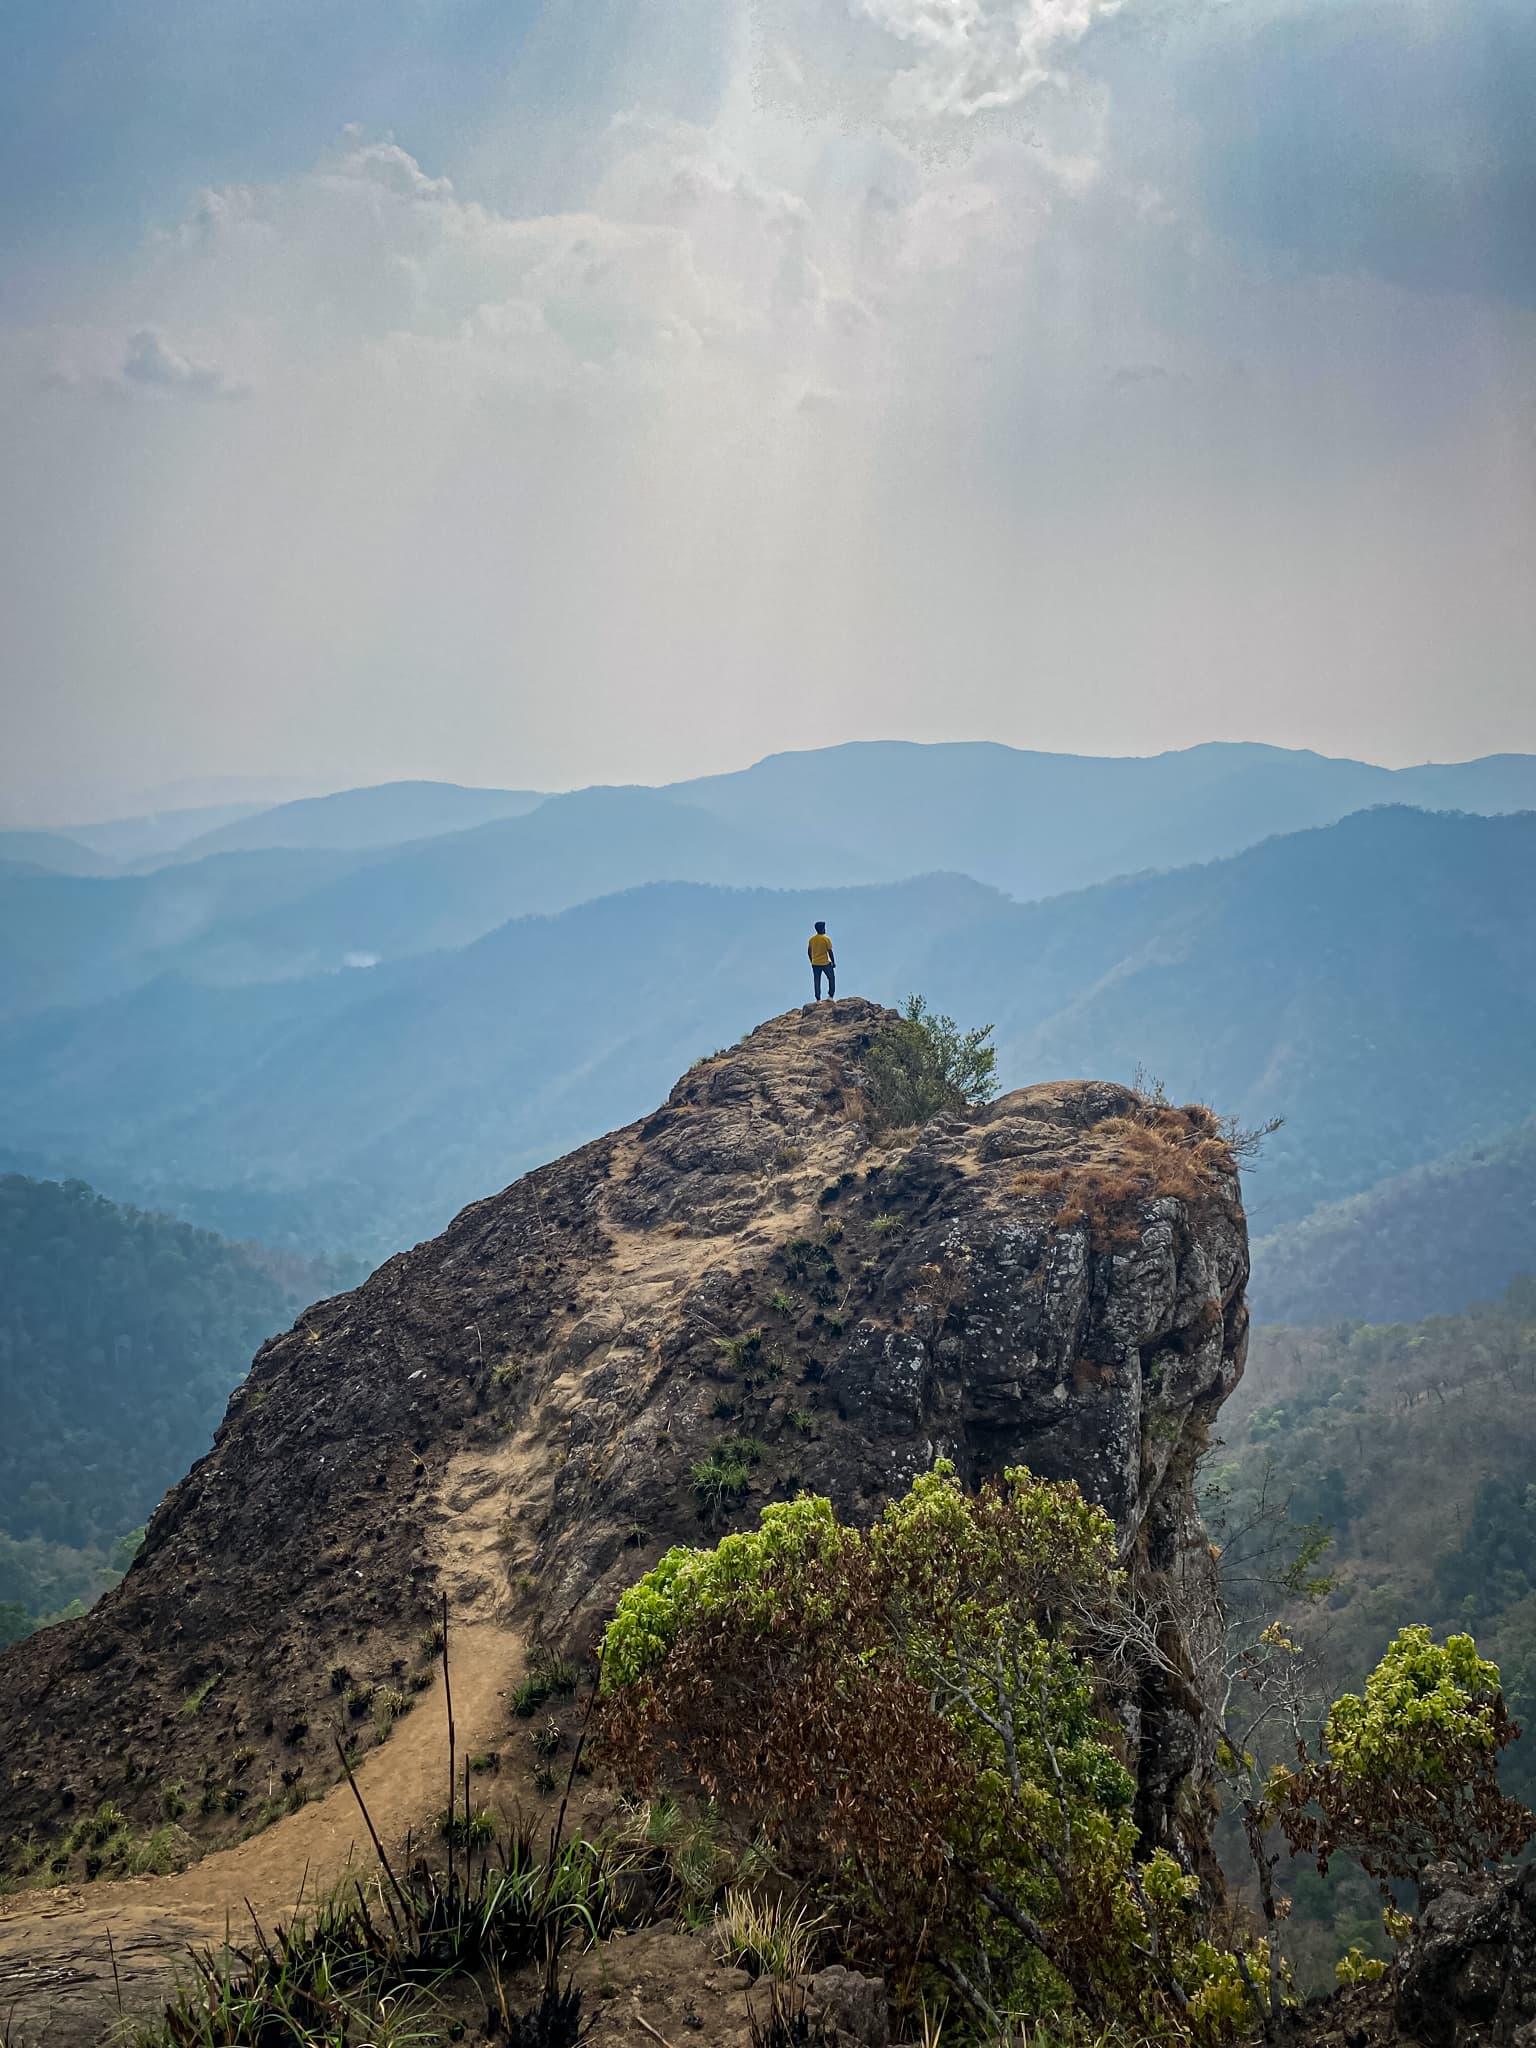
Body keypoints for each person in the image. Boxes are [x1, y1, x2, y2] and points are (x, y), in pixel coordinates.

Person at [808, 921, 835, 1001]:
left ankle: (818, 999)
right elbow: (830, 951)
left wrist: (812, 960)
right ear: (822, 929)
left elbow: (809, 951)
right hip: (825, 963)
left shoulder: (812, 939)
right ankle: (830, 996)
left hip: (815, 963)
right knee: (831, 978)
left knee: (817, 980)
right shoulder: (826, 939)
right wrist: (833, 962)